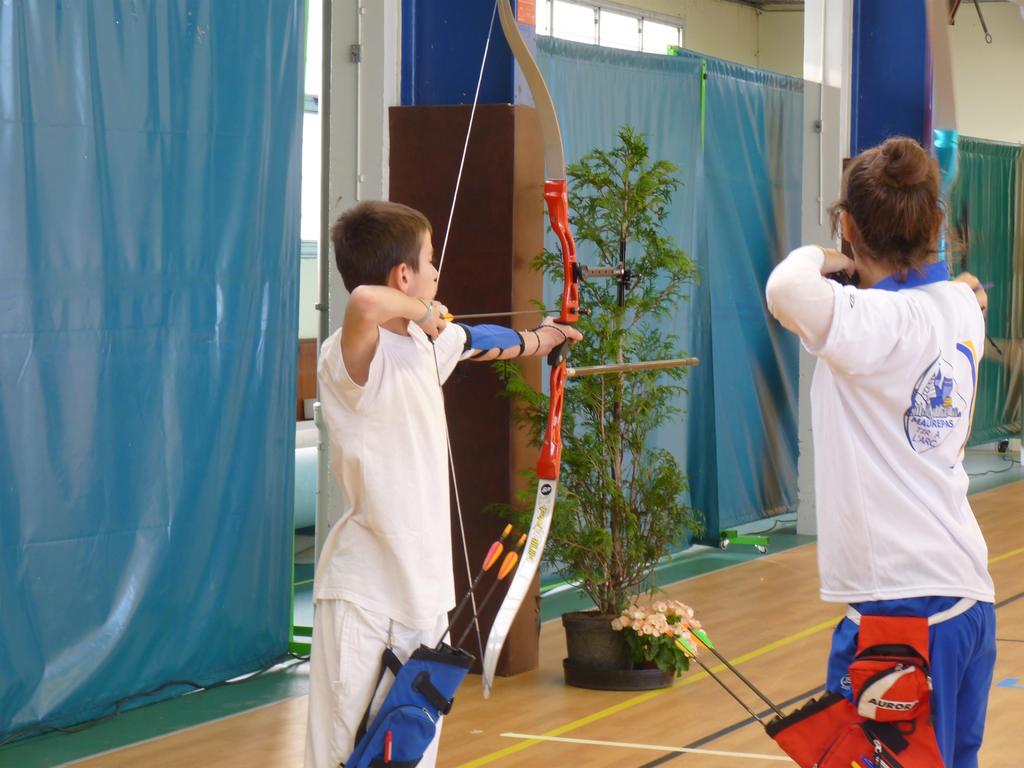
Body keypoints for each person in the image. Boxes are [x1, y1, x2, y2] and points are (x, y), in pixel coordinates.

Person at [304, 200, 581, 768]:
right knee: (342, 756)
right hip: (366, 597)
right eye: (429, 261)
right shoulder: (351, 357)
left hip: (426, 598)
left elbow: (481, 339)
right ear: (403, 277)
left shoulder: (426, 344)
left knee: (407, 753)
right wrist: (424, 310)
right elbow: (364, 302)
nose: (437, 272)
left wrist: (545, 338)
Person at [765, 136, 996, 767]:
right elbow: (967, 289)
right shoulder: (960, 308)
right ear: (935, 226)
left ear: (848, 226)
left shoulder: (872, 323)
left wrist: (827, 256)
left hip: (904, 610)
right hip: (966, 599)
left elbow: (785, 287)